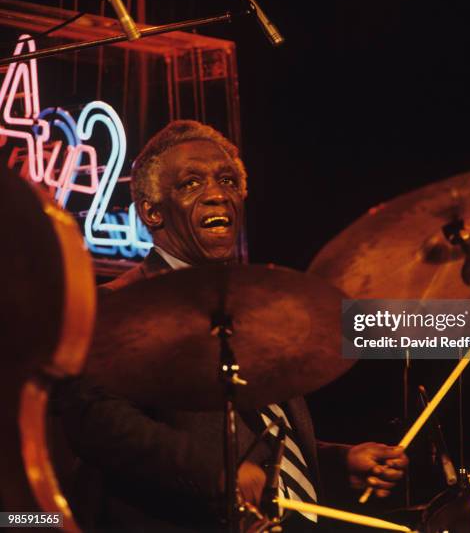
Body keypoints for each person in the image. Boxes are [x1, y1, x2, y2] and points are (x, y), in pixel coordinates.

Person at [55, 120, 408, 532]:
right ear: (151, 212)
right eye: (191, 183)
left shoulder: (251, 306)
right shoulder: (114, 306)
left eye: (227, 181)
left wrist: (335, 461)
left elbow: (257, 440)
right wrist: (216, 473)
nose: (217, 194)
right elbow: (98, 422)